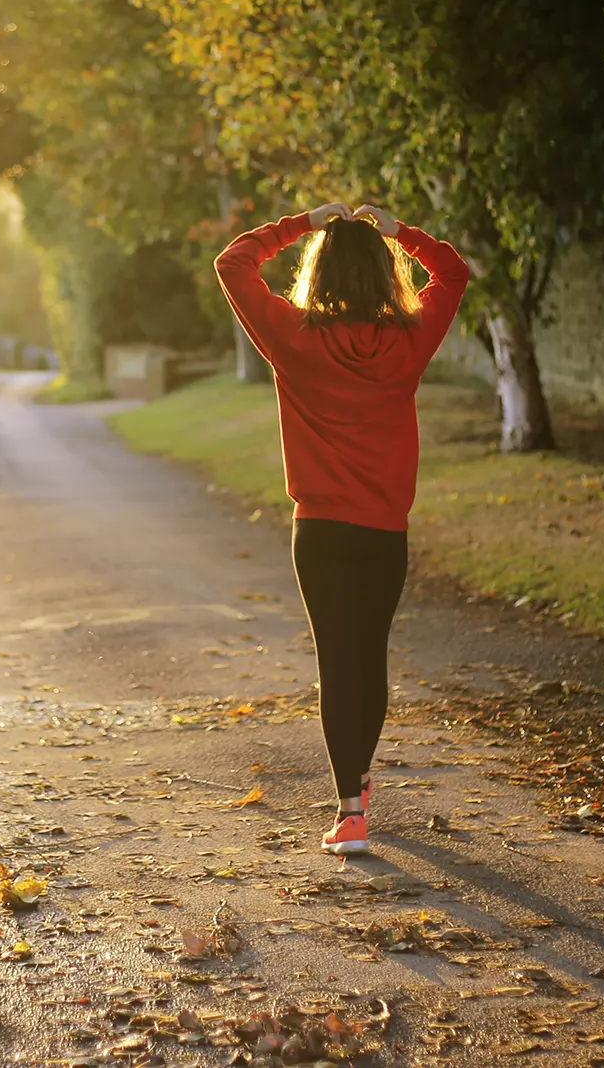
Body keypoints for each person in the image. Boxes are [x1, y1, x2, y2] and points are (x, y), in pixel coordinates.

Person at [213, 201, 470, 856]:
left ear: (319, 274)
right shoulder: (410, 340)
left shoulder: (293, 337)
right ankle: (356, 782)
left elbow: (233, 263)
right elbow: (454, 271)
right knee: (370, 657)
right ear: (385, 277)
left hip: (321, 530)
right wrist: (400, 233)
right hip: (385, 530)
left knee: (337, 661)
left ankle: (350, 810)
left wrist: (302, 223)